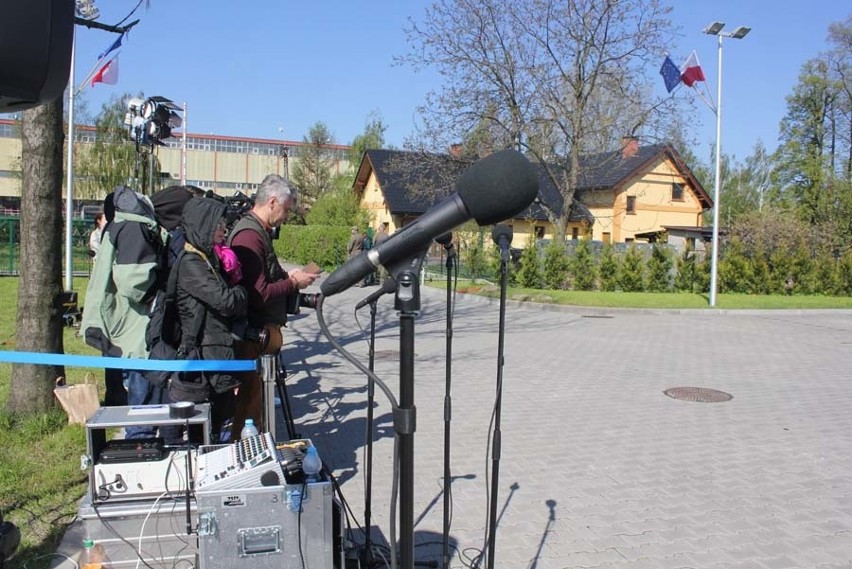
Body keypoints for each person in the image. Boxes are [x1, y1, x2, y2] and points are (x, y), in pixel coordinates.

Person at [227, 174, 319, 438]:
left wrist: (290, 277)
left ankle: (255, 451)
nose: (286, 217)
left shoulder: (258, 233)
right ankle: (246, 457)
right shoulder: (249, 236)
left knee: (256, 406)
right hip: (254, 335)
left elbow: (264, 280)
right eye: (286, 209)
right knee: (249, 409)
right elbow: (260, 294)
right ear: (272, 202)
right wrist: (293, 284)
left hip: (262, 335)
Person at [81, 186, 167, 437]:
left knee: (139, 393)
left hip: (125, 323)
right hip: (133, 327)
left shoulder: (124, 224)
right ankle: (140, 446)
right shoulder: (134, 227)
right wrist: (159, 292)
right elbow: (133, 283)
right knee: (143, 404)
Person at [167, 197, 248, 442]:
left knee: (213, 421)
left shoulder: (207, 258)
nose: (224, 230)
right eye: (218, 224)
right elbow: (225, 301)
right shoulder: (192, 262)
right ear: (203, 226)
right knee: (201, 427)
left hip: (213, 353)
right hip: (202, 357)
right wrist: (242, 291)